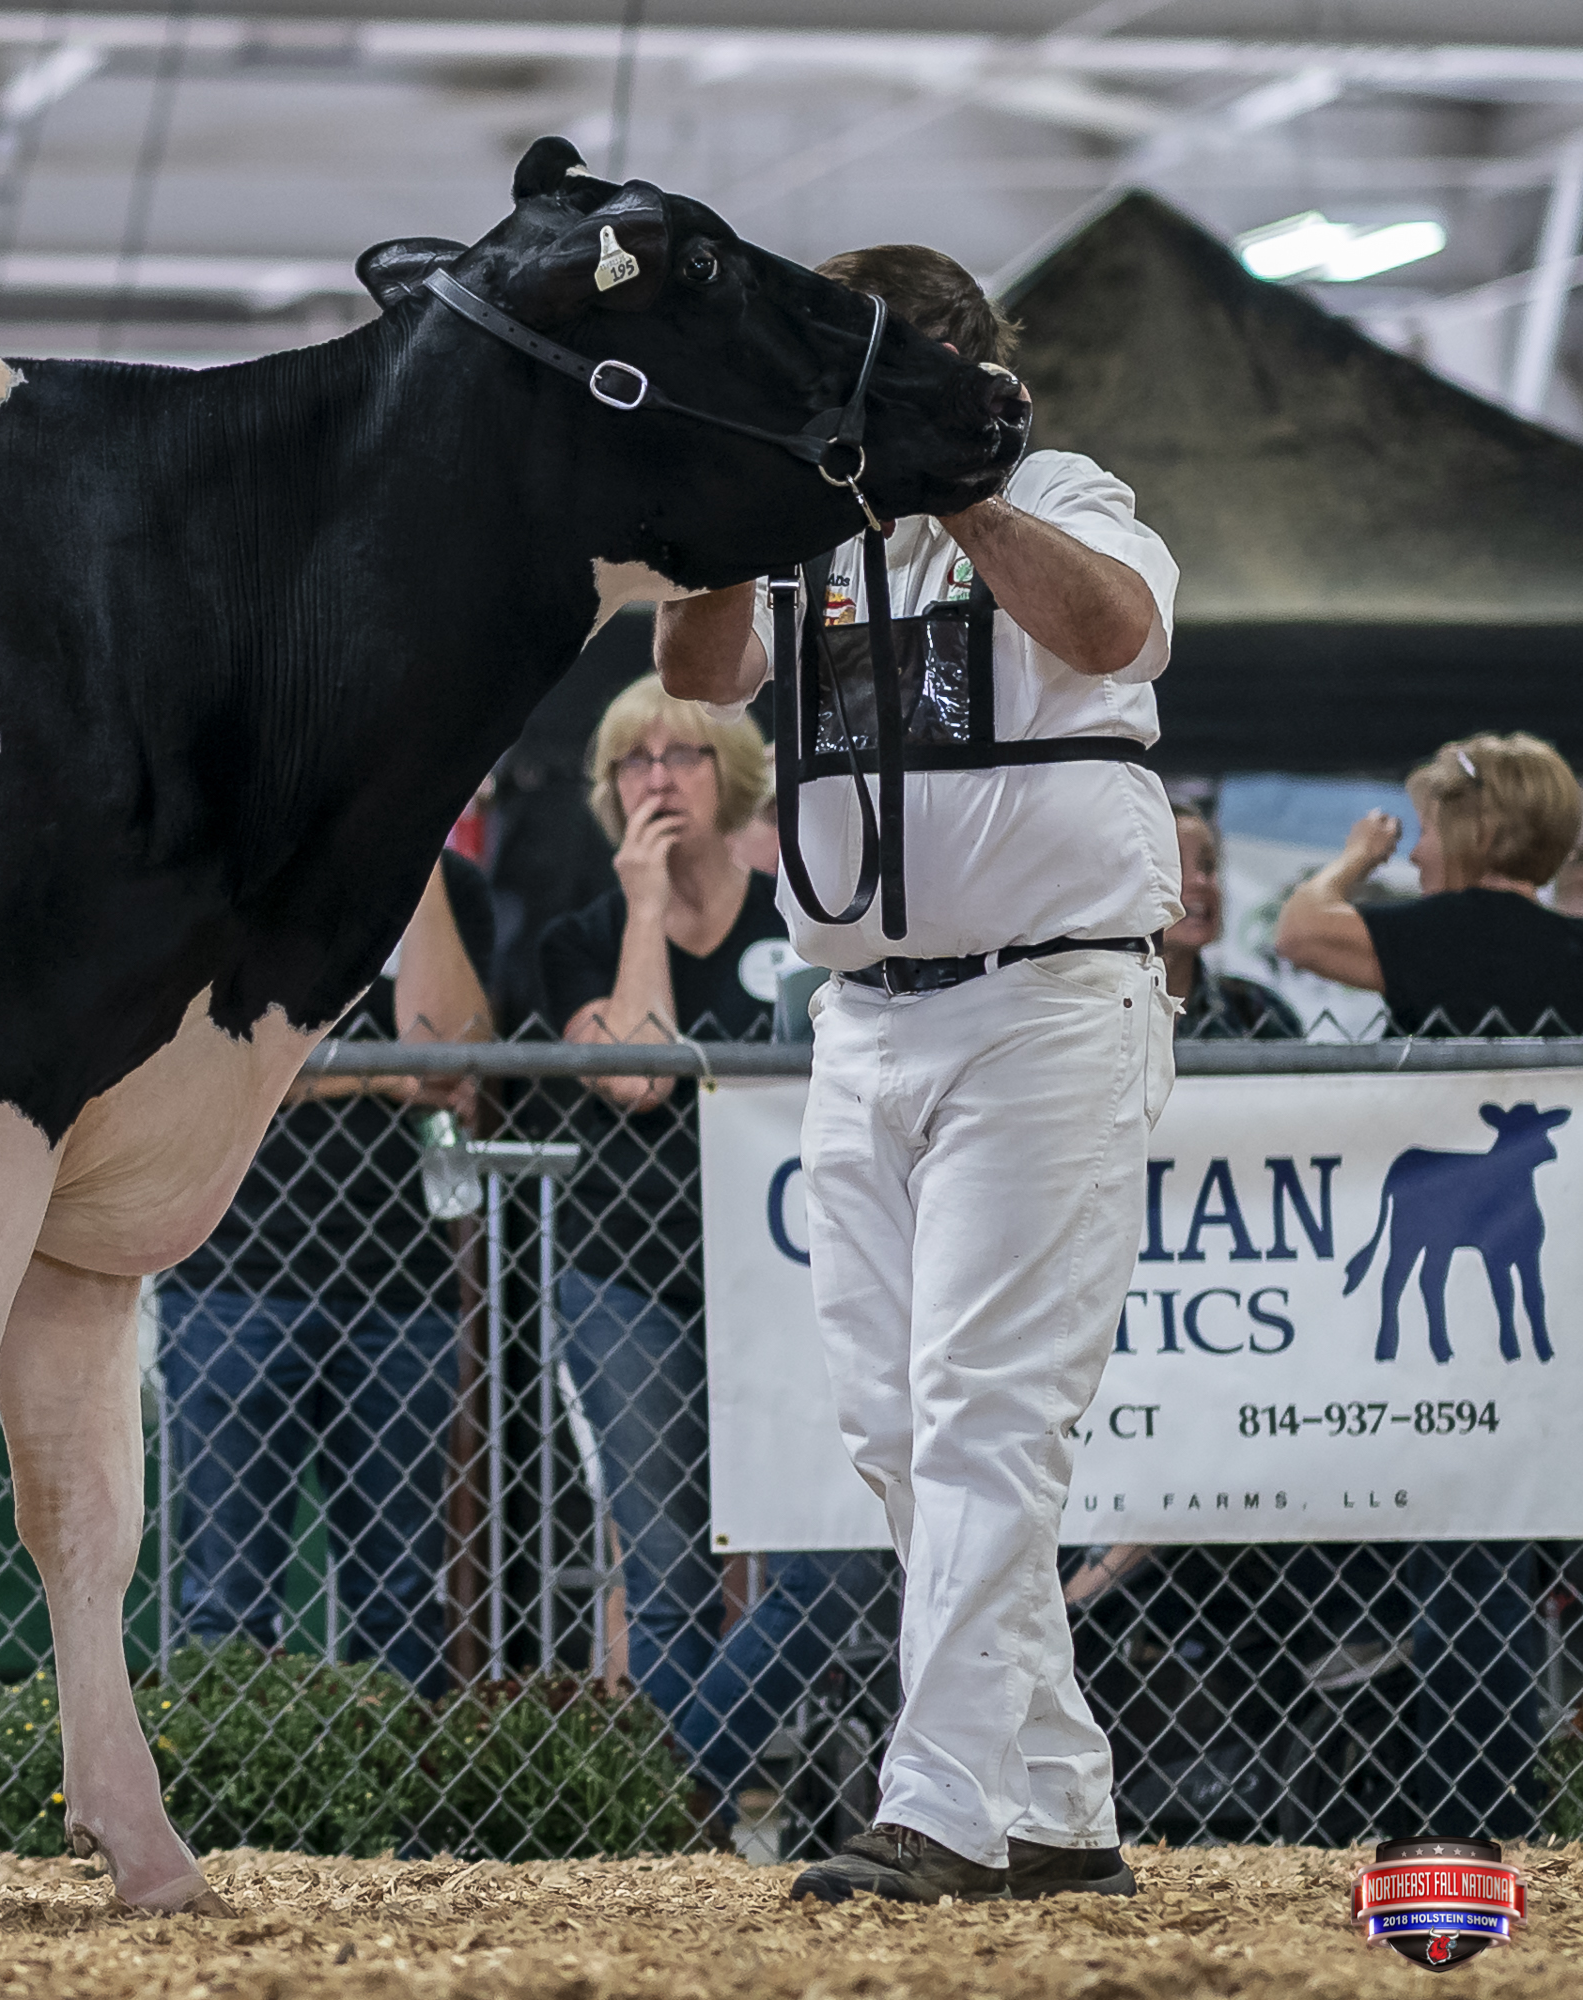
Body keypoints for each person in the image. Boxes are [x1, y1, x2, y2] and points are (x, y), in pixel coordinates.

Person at [655, 243, 1179, 1904]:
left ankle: (941, 1804)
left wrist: (960, 482)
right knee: (893, 1425)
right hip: (861, 1017)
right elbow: (694, 672)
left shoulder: (1064, 495)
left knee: (979, 1412)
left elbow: (1113, 631)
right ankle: (1057, 1801)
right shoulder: (809, 536)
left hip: (1044, 1007)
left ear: (966, 380)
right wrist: (748, 499)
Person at [532, 676, 792, 1769]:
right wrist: (645, 908)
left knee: (827, 1566)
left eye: (681, 754)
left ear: (731, 774)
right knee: (666, 1568)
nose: (657, 779)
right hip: (631, 1274)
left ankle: (679, 1776)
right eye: (633, 761)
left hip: (789, 1276)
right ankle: (694, 1817)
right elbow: (637, 1076)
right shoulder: (582, 937)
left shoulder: (802, 920)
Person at [159, 856, 493, 1692]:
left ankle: (400, 1784)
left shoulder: (451, 887)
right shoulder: (243, 860)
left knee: (401, 1601)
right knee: (229, 1601)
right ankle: (222, 1778)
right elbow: (219, 1055)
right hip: (233, 1275)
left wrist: (419, 859)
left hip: (401, 1289)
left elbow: (442, 1053)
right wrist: (380, 1075)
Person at [1275, 733, 1583, 1036]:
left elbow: (1299, 932)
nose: (1415, 855)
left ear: (1470, 833)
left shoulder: (1445, 936)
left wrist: (1359, 854)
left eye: (1425, 831)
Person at [1163, 805, 1303, 1041]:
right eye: (1173, 867)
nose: (1201, 881)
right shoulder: (1096, 1012)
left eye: (1208, 865)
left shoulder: (1257, 1012)